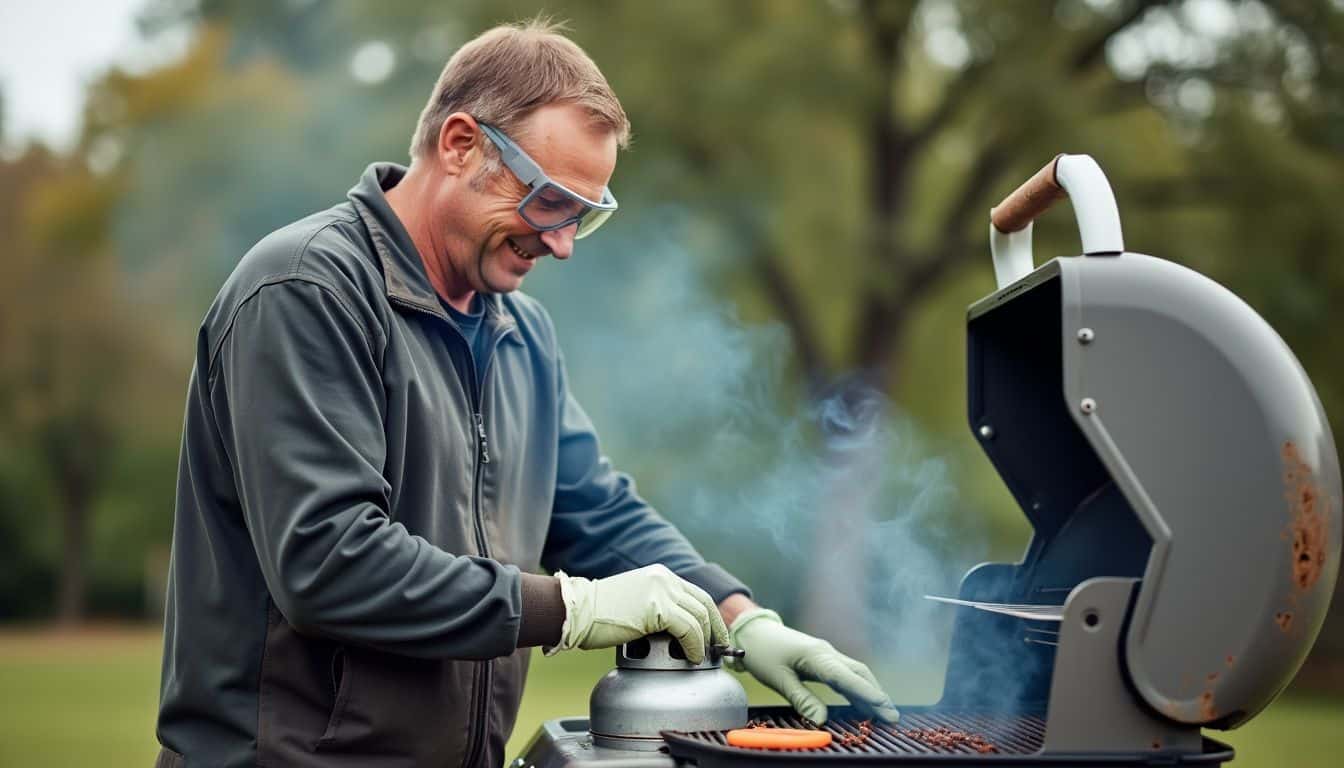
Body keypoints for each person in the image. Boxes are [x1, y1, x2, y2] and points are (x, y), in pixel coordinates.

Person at [154, 18, 898, 768]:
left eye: (585, 214)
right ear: (460, 144)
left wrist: (742, 618)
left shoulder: (522, 334)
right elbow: (328, 561)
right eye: (550, 200)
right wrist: (570, 609)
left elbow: (596, 514)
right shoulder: (307, 290)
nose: (563, 241)